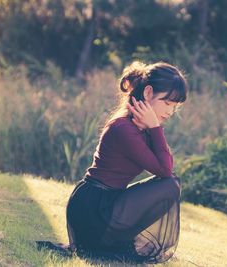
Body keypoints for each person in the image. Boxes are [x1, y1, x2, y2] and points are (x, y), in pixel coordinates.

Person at [37, 61, 188, 264]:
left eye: (175, 106)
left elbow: (165, 165)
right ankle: (104, 241)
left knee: (171, 185)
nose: (170, 112)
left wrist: (153, 128)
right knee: (170, 185)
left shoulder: (141, 127)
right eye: (168, 103)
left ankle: (114, 240)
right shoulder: (124, 129)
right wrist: (155, 127)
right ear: (148, 92)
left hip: (107, 202)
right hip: (93, 207)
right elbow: (164, 170)